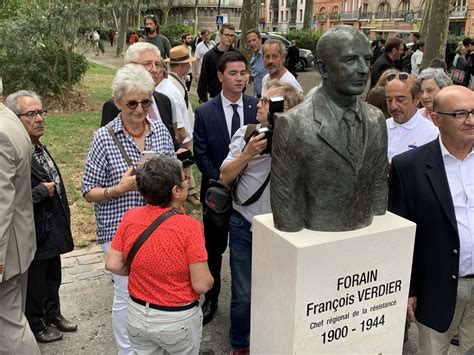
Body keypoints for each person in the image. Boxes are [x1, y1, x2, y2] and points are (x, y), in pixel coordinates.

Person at [82, 64, 176, 355]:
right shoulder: (103, 137)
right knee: (125, 294)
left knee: (156, 289)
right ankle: (127, 351)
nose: (139, 109)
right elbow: (88, 191)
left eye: (146, 102)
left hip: (158, 225)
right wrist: (119, 190)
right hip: (119, 229)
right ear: (117, 103)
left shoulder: (160, 131)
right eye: (132, 103)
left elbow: (175, 174)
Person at [271, 25, 388, 232]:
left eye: (366, 60)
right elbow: (285, 205)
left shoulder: (376, 119)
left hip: (366, 233)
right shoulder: (293, 124)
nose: (363, 69)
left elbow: (378, 185)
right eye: (350, 60)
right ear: (323, 68)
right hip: (316, 234)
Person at [388, 85, 474, 354]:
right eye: (460, 114)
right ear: (436, 118)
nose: (470, 120)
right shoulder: (409, 167)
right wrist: (407, 289)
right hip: (436, 287)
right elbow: (401, 235)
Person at [220, 81, 302, 355]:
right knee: (243, 293)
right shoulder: (247, 133)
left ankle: (273, 339)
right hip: (245, 223)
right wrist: (248, 153)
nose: (258, 105)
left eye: (266, 102)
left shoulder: (300, 138)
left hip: (282, 230)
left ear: (284, 108)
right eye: (260, 100)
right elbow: (225, 175)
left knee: (279, 292)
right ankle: (240, 344)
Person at [105, 156, 213, 354]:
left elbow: (112, 264)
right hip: (176, 319)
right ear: (175, 190)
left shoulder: (130, 217)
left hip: (137, 314)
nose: (188, 179)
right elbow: (202, 284)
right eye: (185, 178)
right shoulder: (189, 227)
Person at [5, 91, 77, 343]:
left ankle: (53, 314)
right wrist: (39, 192)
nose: (39, 118)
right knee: (35, 281)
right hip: (33, 228)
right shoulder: (13, 150)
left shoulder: (37, 146)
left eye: (40, 112)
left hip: (51, 226)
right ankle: (35, 324)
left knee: (52, 275)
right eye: (31, 114)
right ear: (15, 119)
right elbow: (10, 195)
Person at [194, 51, 258, 325]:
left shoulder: (258, 107)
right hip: (216, 197)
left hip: (253, 200)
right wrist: (223, 182)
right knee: (214, 250)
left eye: (243, 73)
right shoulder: (205, 112)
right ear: (220, 76)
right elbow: (200, 153)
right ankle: (212, 298)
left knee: (249, 253)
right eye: (233, 73)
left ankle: (252, 301)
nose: (239, 78)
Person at [0, 102, 40, 354]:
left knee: (10, 328)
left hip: (6, 252)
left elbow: (1, 206)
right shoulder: (9, 118)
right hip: (18, 242)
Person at [100, 42, 179, 151]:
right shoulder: (114, 105)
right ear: (130, 66)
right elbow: (109, 146)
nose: (155, 70)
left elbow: (169, 141)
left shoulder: (165, 100)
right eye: (147, 64)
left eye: (157, 64)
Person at [165, 46, 200, 205]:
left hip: (187, 130)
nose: (189, 66)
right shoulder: (171, 85)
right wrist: (183, 133)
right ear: (181, 65)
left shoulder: (177, 81)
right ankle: (186, 192)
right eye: (187, 63)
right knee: (184, 162)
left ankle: (190, 190)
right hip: (183, 132)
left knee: (187, 161)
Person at [385, 73, 439, 161]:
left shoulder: (432, 134)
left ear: (417, 99)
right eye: (389, 100)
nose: (393, 106)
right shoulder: (381, 127)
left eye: (400, 100)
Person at [197, 23, 238, 103]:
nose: (229, 38)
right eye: (227, 35)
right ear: (220, 35)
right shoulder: (209, 56)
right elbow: (203, 81)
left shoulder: (237, 55)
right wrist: (204, 101)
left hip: (234, 98)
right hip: (215, 98)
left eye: (232, 36)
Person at [246, 29, 267, 98]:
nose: (251, 43)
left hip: (267, 97)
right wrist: (250, 77)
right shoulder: (254, 56)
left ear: (260, 40)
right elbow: (258, 74)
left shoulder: (267, 55)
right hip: (257, 96)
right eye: (249, 41)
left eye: (254, 40)